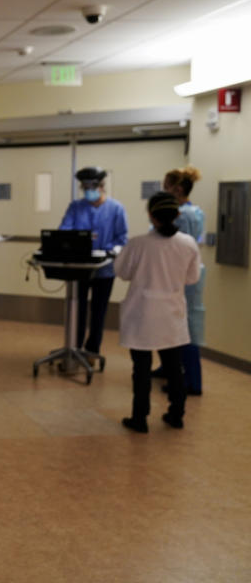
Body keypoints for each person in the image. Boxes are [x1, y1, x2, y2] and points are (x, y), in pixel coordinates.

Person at [114, 192, 200, 433]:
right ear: (176, 215)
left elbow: (122, 272)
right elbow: (192, 278)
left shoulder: (138, 244)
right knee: (174, 367)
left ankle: (139, 418)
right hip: (171, 314)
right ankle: (176, 415)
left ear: (151, 215)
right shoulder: (188, 243)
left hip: (142, 314)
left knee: (141, 369)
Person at [59, 166, 128, 355]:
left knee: (98, 312)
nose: (88, 189)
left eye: (92, 185)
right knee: (77, 310)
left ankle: (92, 350)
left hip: (105, 269)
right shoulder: (75, 207)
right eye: (85, 186)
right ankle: (75, 348)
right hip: (79, 268)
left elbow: (122, 238)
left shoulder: (116, 209)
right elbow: (64, 230)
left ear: (102, 185)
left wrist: (111, 251)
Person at [153, 166, 205, 396]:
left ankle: (192, 382)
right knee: (170, 324)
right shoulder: (191, 212)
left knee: (185, 328)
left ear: (179, 188)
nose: (164, 191)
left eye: (167, 187)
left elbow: (175, 246)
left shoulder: (185, 216)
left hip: (182, 278)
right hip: (178, 275)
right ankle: (168, 367)